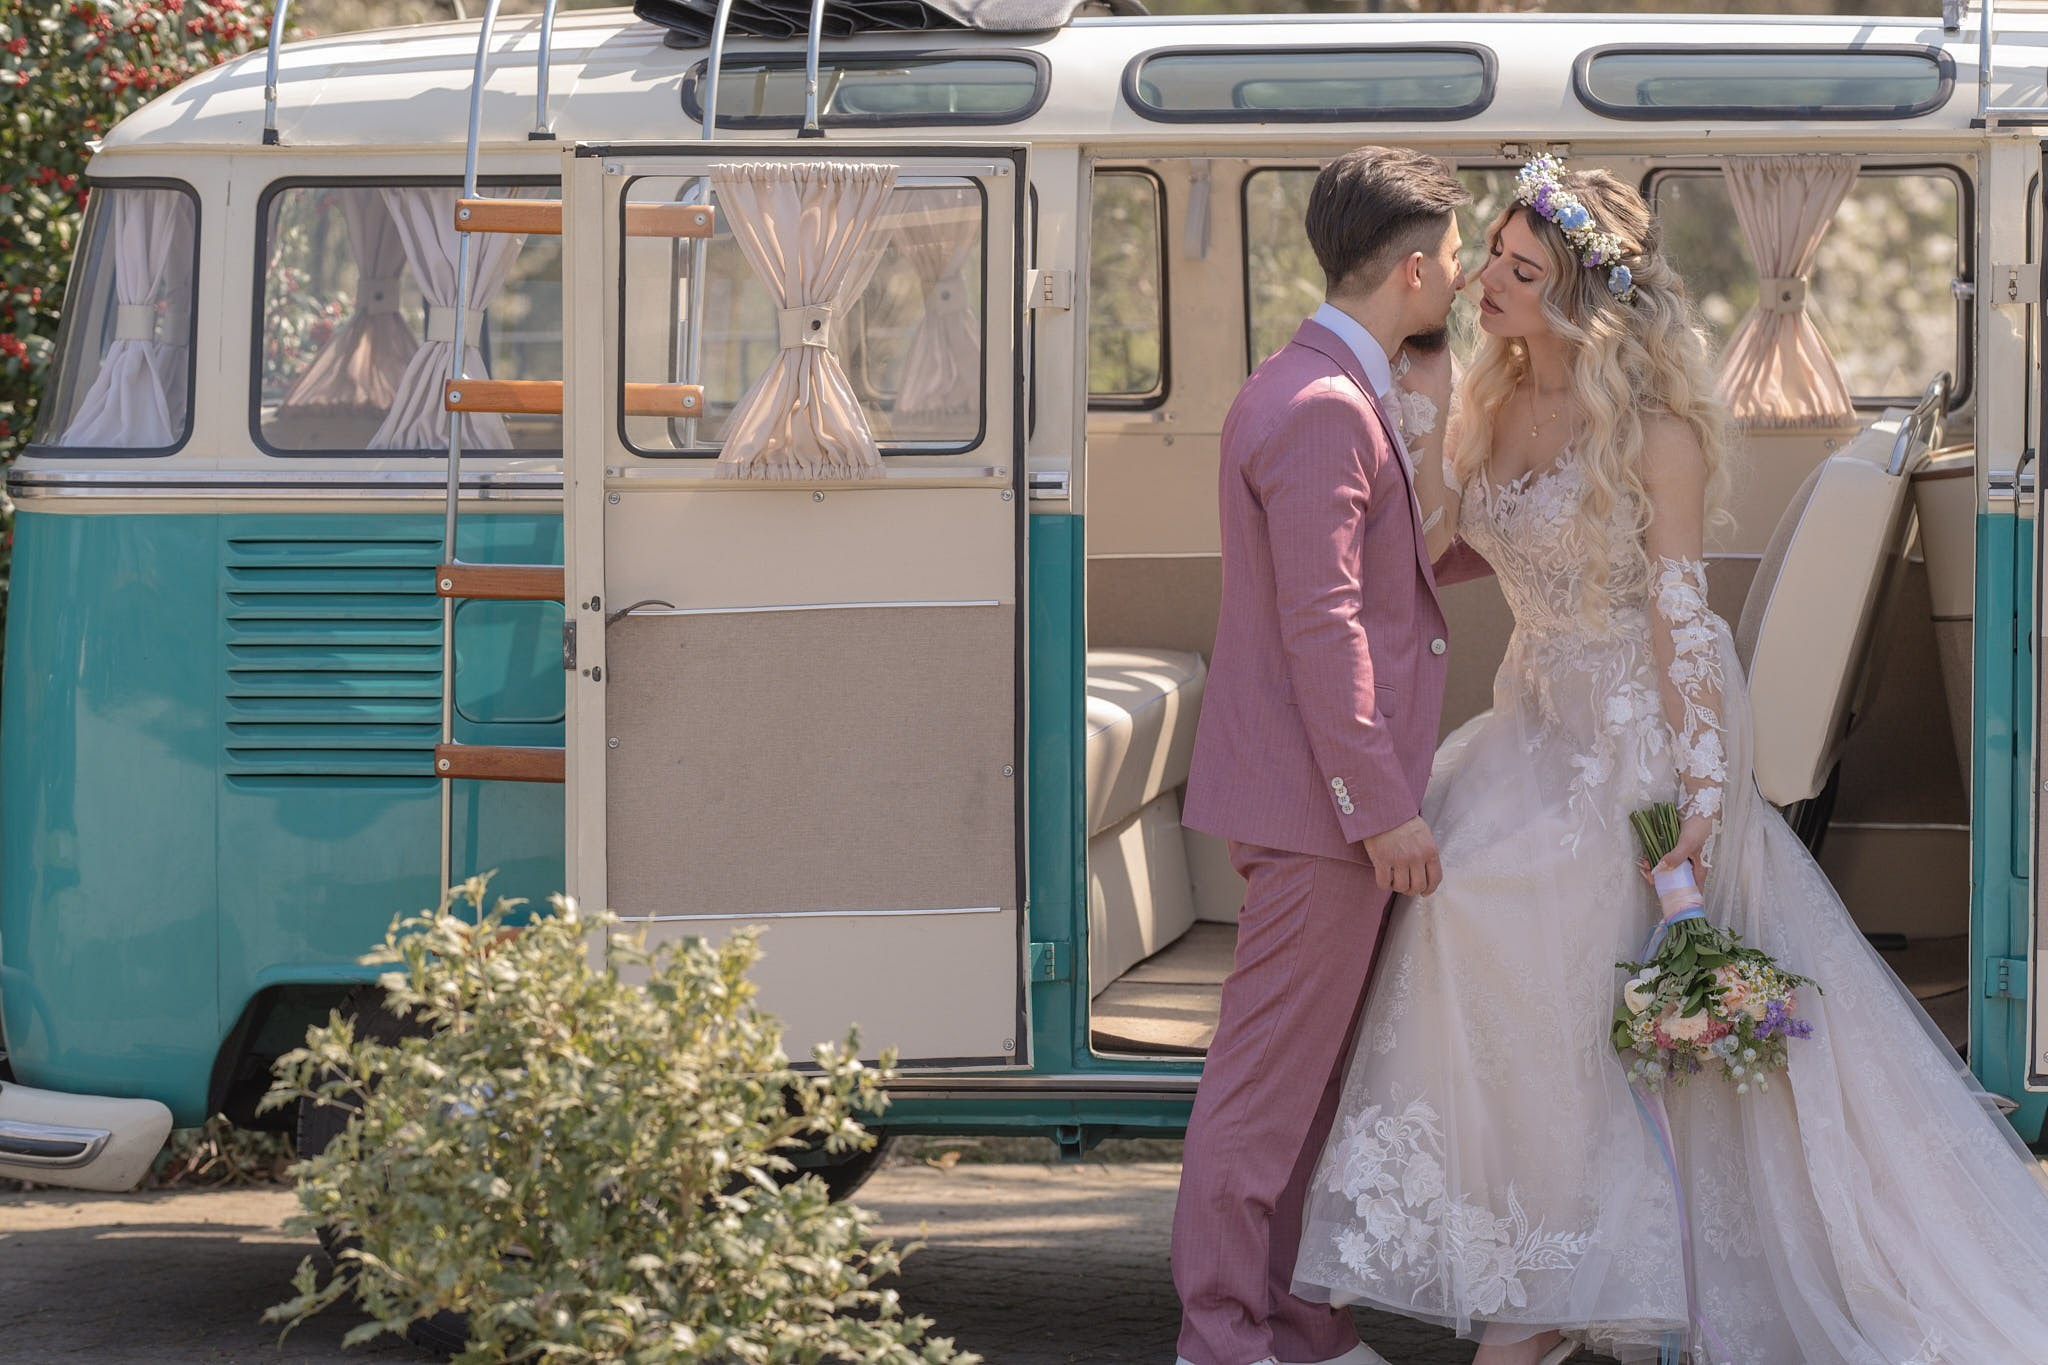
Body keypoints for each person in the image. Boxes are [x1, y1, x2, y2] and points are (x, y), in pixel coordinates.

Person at [1290, 155, 2048, 1365]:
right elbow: (1435, 545)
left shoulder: (1649, 431)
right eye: (1488, 251)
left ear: (1580, 299)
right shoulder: (1480, 398)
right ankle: (1541, 1259)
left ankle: (1550, 1295)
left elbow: (1678, 615)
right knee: (1456, 899)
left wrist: (1703, 788)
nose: (1484, 279)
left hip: (1633, 726)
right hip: (1530, 708)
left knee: (1498, 915)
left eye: (1519, 271)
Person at [1173, 145, 1493, 1365]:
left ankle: (1301, 1324)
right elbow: (1326, 629)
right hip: (1323, 814)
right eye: (1458, 258)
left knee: (1305, 1091)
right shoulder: (1316, 409)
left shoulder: (1334, 389)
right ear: (1414, 270)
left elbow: (1382, 570)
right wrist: (1378, 810)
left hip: (1329, 807)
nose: (1462, 279)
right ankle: (1222, 1336)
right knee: (1260, 1100)